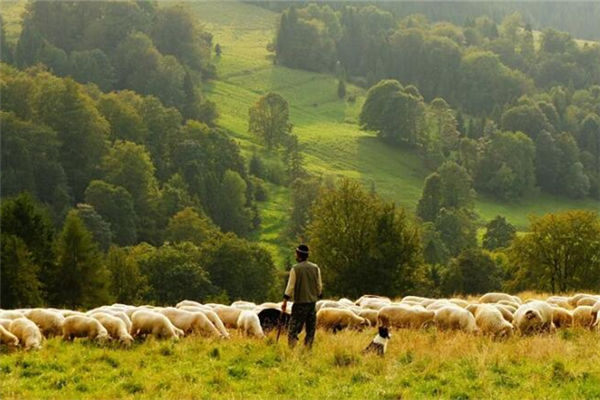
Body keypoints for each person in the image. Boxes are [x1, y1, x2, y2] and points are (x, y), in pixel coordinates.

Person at [282, 244, 322, 348]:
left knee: (293, 329)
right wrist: (317, 294)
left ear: (299, 255)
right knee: (310, 329)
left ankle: (291, 349)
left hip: (300, 304)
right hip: (312, 304)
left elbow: (290, 287)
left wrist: (285, 300)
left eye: (296, 253)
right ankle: (307, 349)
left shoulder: (295, 269)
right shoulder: (315, 268)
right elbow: (319, 285)